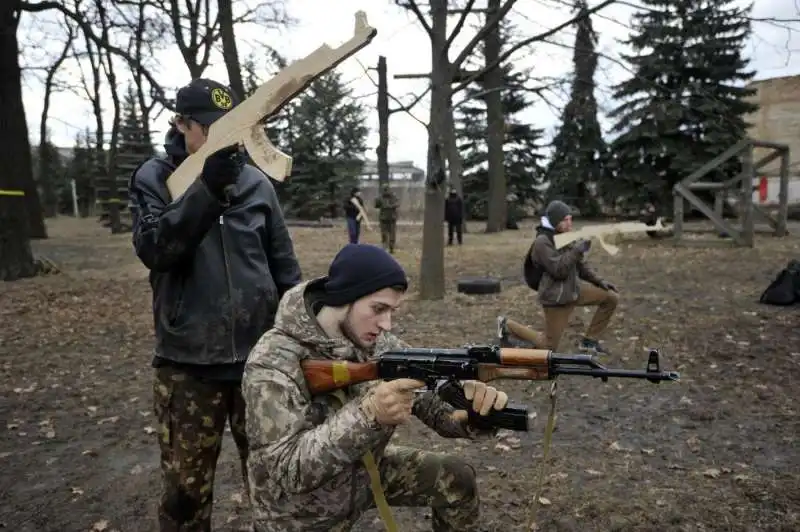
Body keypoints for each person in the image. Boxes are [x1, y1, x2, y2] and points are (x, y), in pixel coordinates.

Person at [127, 77, 303, 531]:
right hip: (187, 367)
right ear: (182, 123)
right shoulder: (156, 177)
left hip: (258, 365)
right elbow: (156, 249)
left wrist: (302, 340)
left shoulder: (257, 183)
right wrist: (205, 189)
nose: (222, 135)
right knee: (186, 494)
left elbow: (284, 268)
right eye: (208, 126)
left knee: (275, 485)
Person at [242, 243, 510, 531]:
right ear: (345, 297)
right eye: (378, 309)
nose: (387, 324)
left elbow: (435, 408)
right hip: (298, 516)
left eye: (392, 311)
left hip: (363, 474)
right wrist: (368, 414)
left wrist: (476, 411)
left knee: (456, 478)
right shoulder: (271, 362)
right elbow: (288, 470)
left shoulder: (376, 342)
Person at [529, 200, 618, 354]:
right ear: (556, 221)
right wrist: (577, 250)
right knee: (548, 348)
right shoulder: (542, 242)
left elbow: (580, 266)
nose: (570, 223)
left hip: (573, 290)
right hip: (555, 298)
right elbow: (559, 270)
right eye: (565, 220)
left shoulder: (563, 236)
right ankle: (508, 326)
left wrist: (599, 281)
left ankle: (589, 342)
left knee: (610, 298)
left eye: (570, 219)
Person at [374, 186, 399, 253]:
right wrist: (377, 201)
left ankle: (391, 247)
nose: (386, 192)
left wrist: (390, 206)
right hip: (384, 218)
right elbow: (376, 206)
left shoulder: (393, 196)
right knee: (384, 233)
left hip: (391, 218)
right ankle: (385, 246)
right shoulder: (380, 197)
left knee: (392, 234)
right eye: (385, 190)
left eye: (387, 190)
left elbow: (397, 204)